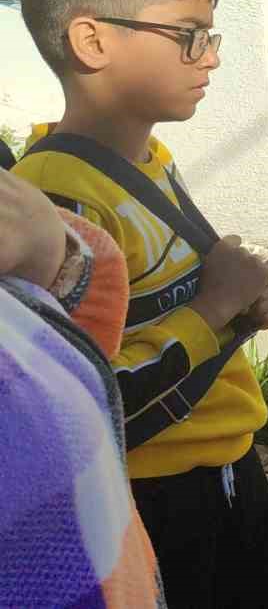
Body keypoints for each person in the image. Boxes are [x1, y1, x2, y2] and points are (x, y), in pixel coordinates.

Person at [10, 0, 268, 608]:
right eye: (189, 35)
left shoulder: (150, 160)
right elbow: (85, 397)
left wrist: (243, 307)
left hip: (227, 462)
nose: (211, 58)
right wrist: (217, 307)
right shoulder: (54, 204)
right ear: (92, 40)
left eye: (211, 36)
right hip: (155, 495)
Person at [1, 169, 166, 607]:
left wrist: (48, 244)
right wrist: (215, 315)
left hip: (113, 540)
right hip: (158, 477)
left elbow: (82, 345)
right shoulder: (61, 175)